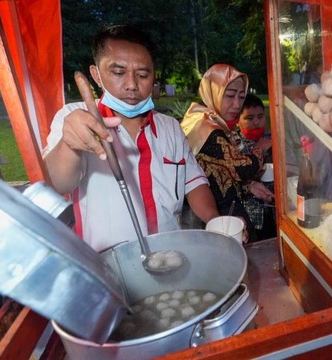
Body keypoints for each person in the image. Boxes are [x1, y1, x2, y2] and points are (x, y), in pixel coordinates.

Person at [43, 24, 218, 252]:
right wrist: (70, 145)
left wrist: (215, 221)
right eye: (118, 72)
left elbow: (193, 183)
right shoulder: (75, 118)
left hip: (170, 259)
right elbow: (58, 182)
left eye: (143, 74)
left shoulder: (170, 128)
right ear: (96, 74)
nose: (132, 85)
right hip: (107, 265)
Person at [180, 64, 271, 242]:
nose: (237, 104)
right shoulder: (208, 128)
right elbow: (242, 169)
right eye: (229, 96)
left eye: (241, 96)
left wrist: (249, 186)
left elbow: (219, 170)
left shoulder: (211, 121)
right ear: (213, 92)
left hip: (224, 209)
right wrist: (260, 148)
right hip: (216, 215)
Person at [236, 94, 277, 239]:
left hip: (274, 212)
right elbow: (234, 178)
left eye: (260, 116)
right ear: (238, 121)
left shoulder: (272, 140)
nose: (256, 122)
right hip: (251, 218)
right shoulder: (233, 146)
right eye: (249, 118)